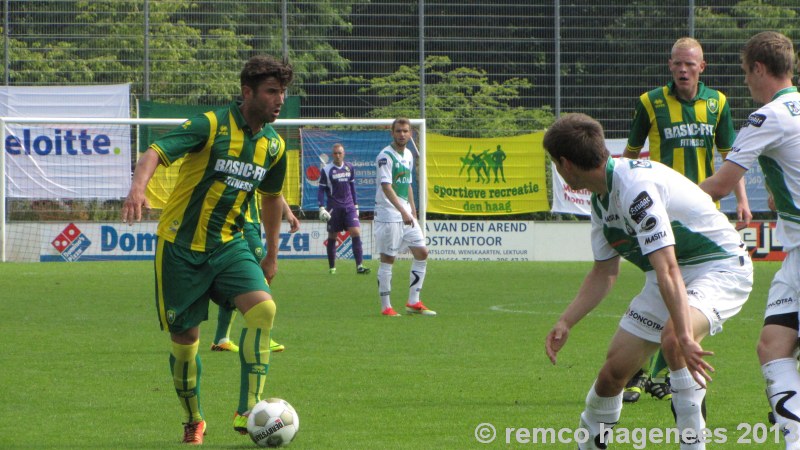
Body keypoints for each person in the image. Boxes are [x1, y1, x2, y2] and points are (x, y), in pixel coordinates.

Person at [544, 113, 752, 450]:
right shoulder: (601, 199)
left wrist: (685, 335)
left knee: (673, 340)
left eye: (554, 162)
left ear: (566, 164)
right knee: (613, 373)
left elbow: (669, 268)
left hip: (720, 267)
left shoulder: (635, 188)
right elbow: (604, 272)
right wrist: (567, 321)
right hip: (668, 275)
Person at [121, 54, 293, 445]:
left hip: (229, 244)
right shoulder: (210, 125)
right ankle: (193, 418)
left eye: (282, 92)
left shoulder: (273, 145)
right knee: (185, 344)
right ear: (247, 93)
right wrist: (138, 189)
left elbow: (271, 198)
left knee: (264, 309)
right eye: (271, 92)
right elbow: (154, 153)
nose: (279, 99)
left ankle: (248, 411)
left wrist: (271, 253)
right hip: (180, 248)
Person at [621, 36, 753, 403]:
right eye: (677, 63)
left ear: (702, 68)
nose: (683, 69)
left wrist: (742, 200)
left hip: (702, 215)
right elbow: (629, 155)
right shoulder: (650, 102)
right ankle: (640, 371)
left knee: (684, 296)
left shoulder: (718, 103)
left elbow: (730, 157)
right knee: (663, 288)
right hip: (660, 214)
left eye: (689, 64)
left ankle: (658, 372)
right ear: (670, 66)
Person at [699, 31, 800, 448]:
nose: (746, 84)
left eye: (745, 74)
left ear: (759, 69)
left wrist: (660, 200)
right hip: (796, 256)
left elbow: (721, 186)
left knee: (775, 347)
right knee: (773, 344)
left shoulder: (770, 115)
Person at [211, 195, 297, 354]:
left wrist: (287, 211)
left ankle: (221, 339)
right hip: (243, 223)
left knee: (238, 281)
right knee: (262, 274)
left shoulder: (261, 171)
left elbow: (272, 189)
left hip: (253, 222)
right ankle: (262, 335)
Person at [374, 118, 435, 317]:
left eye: (406, 131)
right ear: (392, 133)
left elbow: (407, 183)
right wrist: (402, 211)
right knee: (388, 259)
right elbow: (386, 186)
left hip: (406, 213)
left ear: (411, 134)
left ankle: (413, 301)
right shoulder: (385, 156)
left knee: (422, 252)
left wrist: (413, 210)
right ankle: (386, 307)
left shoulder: (409, 154)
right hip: (389, 215)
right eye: (398, 131)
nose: (402, 134)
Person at [317, 143, 370, 275]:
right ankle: (332, 268)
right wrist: (321, 207)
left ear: (344, 153)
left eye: (340, 153)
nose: (338, 155)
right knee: (333, 236)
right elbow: (321, 189)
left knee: (356, 232)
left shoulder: (349, 167)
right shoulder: (326, 170)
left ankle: (359, 266)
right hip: (334, 208)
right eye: (335, 153)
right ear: (332, 154)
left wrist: (356, 205)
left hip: (349, 206)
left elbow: (352, 187)